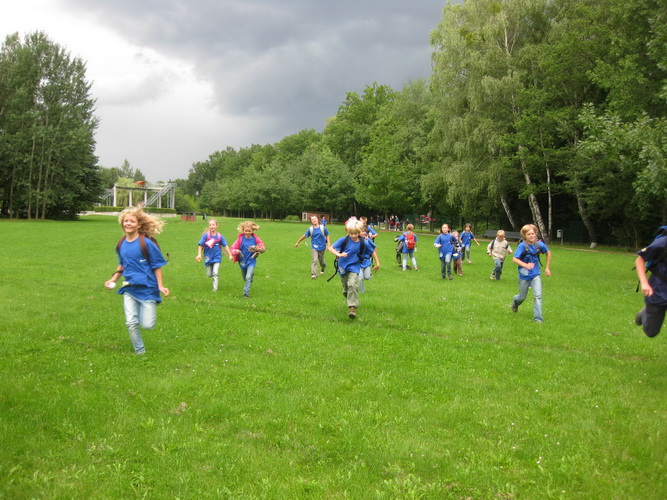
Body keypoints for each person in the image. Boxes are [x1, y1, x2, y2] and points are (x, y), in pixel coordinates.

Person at [105, 206, 169, 355]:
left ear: (139, 225)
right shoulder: (121, 244)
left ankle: (147, 308)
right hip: (129, 288)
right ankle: (140, 352)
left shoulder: (146, 243)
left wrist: (160, 285)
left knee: (147, 325)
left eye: (132, 221)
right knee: (131, 322)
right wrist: (113, 279)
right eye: (125, 221)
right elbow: (122, 264)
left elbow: (157, 266)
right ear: (122, 224)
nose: (128, 223)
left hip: (147, 289)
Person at [510, 224, 551, 322]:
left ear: (536, 234)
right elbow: (514, 259)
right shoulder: (522, 246)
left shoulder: (539, 245)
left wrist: (547, 268)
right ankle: (515, 302)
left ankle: (538, 319)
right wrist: (525, 265)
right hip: (524, 275)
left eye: (533, 233)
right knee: (522, 297)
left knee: (538, 296)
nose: (531, 236)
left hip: (535, 274)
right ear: (524, 236)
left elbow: (548, 253)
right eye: (529, 234)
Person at [328, 218, 366, 319]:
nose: (353, 236)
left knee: (352, 284)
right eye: (351, 233)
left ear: (360, 232)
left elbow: (371, 250)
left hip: (355, 266)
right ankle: (350, 296)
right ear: (348, 231)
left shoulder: (363, 242)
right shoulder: (343, 240)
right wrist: (339, 254)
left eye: (355, 233)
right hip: (343, 267)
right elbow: (330, 248)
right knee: (346, 289)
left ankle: (352, 309)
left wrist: (377, 263)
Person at [634, 229, 667, 337]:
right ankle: (644, 313)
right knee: (651, 332)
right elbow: (639, 260)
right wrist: (644, 283)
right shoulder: (663, 242)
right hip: (659, 289)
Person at [195, 218, 233, 291]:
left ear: (216, 226)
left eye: (213, 225)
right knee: (209, 274)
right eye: (210, 225)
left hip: (217, 257)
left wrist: (230, 254)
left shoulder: (219, 236)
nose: (212, 226)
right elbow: (200, 245)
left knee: (215, 273)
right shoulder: (206, 236)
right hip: (208, 257)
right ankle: (212, 275)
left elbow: (225, 245)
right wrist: (199, 254)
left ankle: (214, 289)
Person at [231, 221, 266, 298]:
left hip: (251, 261)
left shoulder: (255, 238)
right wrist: (235, 251)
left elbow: (262, 246)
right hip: (242, 261)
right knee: (245, 278)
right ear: (243, 230)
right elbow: (233, 248)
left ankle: (246, 294)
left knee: (248, 277)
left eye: (249, 231)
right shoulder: (240, 239)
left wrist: (260, 249)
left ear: (252, 231)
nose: (247, 233)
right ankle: (250, 278)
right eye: (246, 231)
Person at [359, 227, 381, 293]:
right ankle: (362, 291)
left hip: (367, 261)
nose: (363, 232)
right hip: (358, 262)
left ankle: (369, 274)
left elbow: (374, 248)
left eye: (364, 231)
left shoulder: (368, 240)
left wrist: (376, 260)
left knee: (367, 277)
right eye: (361, 231)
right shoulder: (355, 241)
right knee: (360, 278)